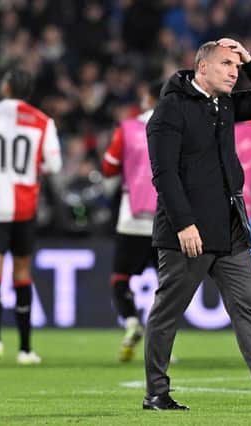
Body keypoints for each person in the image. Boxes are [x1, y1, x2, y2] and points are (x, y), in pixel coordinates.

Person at [143, 38, 251, 411]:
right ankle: (156, 392)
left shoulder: (225, 104)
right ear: (202, 67)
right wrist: (185, 224)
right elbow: (164, 174)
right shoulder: (171, 110)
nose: (234, 72)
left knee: (248, 307)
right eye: (226, 64)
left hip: (230, 226)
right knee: (168, 310)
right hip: (188, 233)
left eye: (237, 66)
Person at [0, 68, 63, 364]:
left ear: (6, 86)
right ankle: (25, 349)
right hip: (24, 205)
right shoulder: (43, 121)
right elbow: (54, 166)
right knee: (21, 273)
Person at [101, 81, 162, 362]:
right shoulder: (186, 126)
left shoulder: (128, 128)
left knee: (120, 278)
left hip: (133, 217)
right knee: (170, 284)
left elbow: (108, 168)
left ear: (146, 96)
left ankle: (131, 322)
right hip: (171, 219)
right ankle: (163, 342)